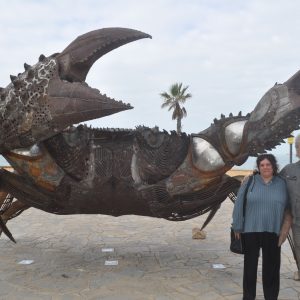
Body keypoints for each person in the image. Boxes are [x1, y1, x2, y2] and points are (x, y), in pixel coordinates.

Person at [232, 154, 289, 300]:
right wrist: (237, 226)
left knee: (272, 268)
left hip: (273, 231)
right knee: (250, 268)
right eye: (262, 165)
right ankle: (248, 297)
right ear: (258, 167)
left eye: (268, 164)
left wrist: (284, 229)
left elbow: (288, 206)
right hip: (250, 230)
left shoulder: (282, 183)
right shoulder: (250, 181)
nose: (265, 167)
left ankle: (271, 297)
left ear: (273, 166)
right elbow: (239, 204)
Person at [280, 134, 300, 280]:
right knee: (298, 248)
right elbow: (272, 180)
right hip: (297, 221)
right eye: (299, 147)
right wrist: (252, 176)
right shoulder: (289, 170)